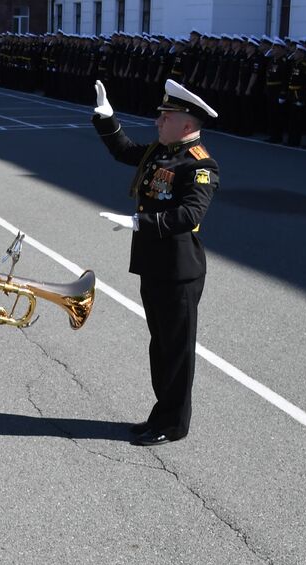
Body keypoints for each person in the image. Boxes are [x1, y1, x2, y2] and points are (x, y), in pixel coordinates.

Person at [92, 77, 219, 446]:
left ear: (188, 123)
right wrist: (106, 118)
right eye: (160, 115)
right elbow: (124, 150)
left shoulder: (200, 165)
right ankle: (160, 412)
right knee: (160, 346)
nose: (157, 122)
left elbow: (188, 214)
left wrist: (138, 222)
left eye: (166, 116)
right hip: (154, 265)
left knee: (177, 351)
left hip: (180, 272)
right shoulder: (162, 152)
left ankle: (174, 423)